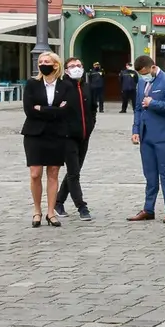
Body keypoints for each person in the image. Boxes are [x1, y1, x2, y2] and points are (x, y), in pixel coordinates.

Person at [128, 55, 165, 224]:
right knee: (150, 175)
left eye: (145, 73)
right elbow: (138, 108)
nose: (143, 76)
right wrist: (136, 129)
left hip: (164, 136)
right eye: (141, 74)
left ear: (153, 67)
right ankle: (148, 209)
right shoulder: (141, 82)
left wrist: (153, 104)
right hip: (146, 136)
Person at [21, 51, 68, 228]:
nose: (42, 64)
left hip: (56, 134)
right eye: (40, 62)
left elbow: (66, 111)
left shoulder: (65, 85)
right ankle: (37, 211)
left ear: (56, 65)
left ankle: (50, 212)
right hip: (34, 133)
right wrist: (54, 110)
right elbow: (29, 110)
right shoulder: (32, 84)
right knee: (35, 173)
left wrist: (42, 109)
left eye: (46, 61)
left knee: (53, 172)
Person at [55, 57, 96, 221]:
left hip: (84, 136)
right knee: (74, 173)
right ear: (66, 70)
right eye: (72, 66)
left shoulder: (87, 87)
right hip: (67, 137)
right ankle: (81, 207)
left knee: (75, 171)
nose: (76, 68)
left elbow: (93, 109)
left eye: (79, 65)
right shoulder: (61, 87)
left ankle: (58, 201)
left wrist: (91, 126)